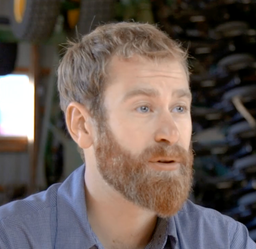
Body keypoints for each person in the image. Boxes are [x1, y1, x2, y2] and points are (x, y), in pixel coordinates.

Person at [0, 22, 255, 249]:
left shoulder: (225, 240)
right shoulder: (13, 238)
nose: (171, 133)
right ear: (82, 126)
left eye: (179, 108)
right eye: (143, 108)